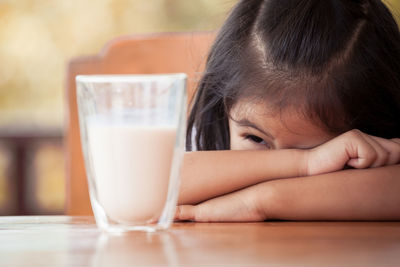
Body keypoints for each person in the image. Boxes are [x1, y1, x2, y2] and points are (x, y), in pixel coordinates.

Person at [175, 0, 400, 222]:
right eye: (255, 138)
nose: (282, 169)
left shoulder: (382, 149)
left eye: (322, 148)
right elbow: (150, 185)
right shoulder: (211, 138)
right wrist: (307, 162)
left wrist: (260, 202)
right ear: (223, 107)